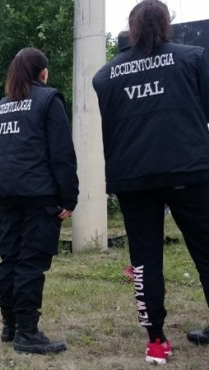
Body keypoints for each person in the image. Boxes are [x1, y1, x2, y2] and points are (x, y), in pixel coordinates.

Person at [92, 0, 209, 364]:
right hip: (189, 170)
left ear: (133, 27)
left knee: (144, 259)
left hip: (133, 178)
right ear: (167, 24)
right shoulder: (193, 58)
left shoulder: (104, 76)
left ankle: (156, 341)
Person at [0, 47, 79, 354]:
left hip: (8, 195)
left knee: (10, 258)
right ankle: (27, 332)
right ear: (43, 73)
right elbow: (62, 154)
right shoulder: (48, 100)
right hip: (40, 196)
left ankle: (9, 325)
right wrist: (69, 197)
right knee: (31, 262)